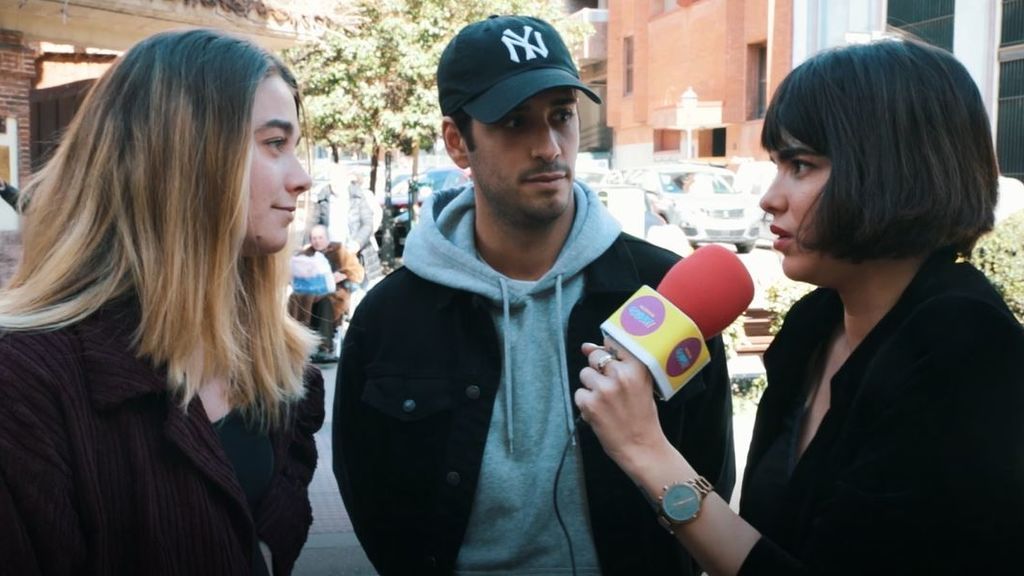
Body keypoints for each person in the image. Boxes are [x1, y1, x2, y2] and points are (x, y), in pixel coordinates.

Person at [574, 39, 1024, 575]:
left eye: (801, 166)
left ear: (893, 170)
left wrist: (648, 452)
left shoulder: (966, 349)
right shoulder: (813, 326)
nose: (770, 197)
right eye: (777, 165)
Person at [334, 15, 735, 576]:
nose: (548, 147)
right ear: (457, 142)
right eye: (514, 122)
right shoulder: (390, 317)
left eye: (561, 116)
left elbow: (710, 472)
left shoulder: (663, 293)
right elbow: (368, 492)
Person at [0, 29, 324, 575]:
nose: (301, 178)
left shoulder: (278, 370)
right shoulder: (27, 383)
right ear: (182, 159)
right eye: (274, 143)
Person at [289, 224, 364, 363]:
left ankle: (324, 346)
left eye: (320, 238)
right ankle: (296, 341)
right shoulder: (306, 254)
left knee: (325, 301)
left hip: (335, 292)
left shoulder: (339, 250)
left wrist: (342, 274)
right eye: (314, 238)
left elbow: (357, 272)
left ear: (327, 238)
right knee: (294, 298)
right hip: (308, 292)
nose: (317, 241)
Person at [346, 174, 383, 284]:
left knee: (367, 278)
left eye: (354, 182)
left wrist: (369, 232)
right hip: (349, 245)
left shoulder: (366, 195)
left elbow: (376, 214)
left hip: (366, 243)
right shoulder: (345, 197)